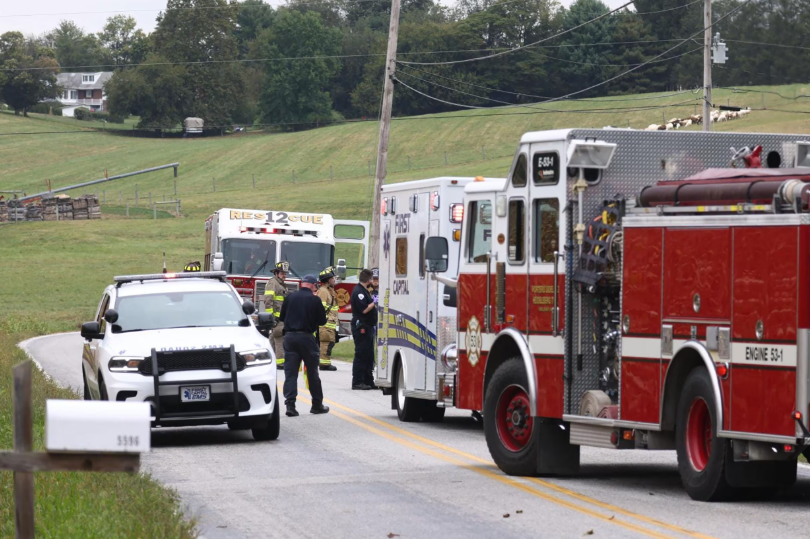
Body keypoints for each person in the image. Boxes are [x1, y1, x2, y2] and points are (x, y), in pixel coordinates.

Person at [279, 274, 329, 416]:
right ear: (313, 285)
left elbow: (282, 317)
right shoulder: (315, 299)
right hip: (306, 338)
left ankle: (290, 406)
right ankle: (316, 405)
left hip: (290, 338)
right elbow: (322, 321)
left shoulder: (290, 297)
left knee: (291, 373)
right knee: (312, 372)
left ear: (302, 284)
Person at [351, 268, 377, 390]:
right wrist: (374, 303)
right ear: (368, 279)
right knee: (361, 354)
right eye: (372, 278)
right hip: (361, 326)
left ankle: (368, 380)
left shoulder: (365, 290)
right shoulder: (359, 292)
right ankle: (357, 381)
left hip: (368, 326)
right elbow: (364, 309)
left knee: (369, 354)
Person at [264, 261, 289, 369]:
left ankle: (267, 359)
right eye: (282, 273)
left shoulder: (281, 284)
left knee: (273, 337)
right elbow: (268, 301)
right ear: (276, 273)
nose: (285, 275)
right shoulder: (273, 283)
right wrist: (271, 317)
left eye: (285, 273)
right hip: (276, 318)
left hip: (281, 317)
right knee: (279, 337)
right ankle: (280, 362)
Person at [316, 266, 339, 371]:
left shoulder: (329, 291)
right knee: (325, 343)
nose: (334, 280)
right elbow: (320, 308)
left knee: (329, 343)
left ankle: (325, 362)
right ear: (327, 280)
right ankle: (324, 364)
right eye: (332, 278)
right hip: (325, 324)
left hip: (330, 323)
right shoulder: (323, 291)